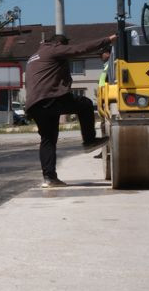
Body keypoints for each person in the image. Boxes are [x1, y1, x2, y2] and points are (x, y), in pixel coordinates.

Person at [24, 33, 115, 187]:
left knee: (48, 139)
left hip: (35, 104)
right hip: (50, 98)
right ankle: (89, 140)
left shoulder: (35, 55)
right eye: (64, 46)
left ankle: (49, 178)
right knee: (85, 104)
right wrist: (107, 40)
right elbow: (80, 49)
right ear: (60, 44)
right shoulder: (53, 49)